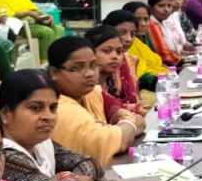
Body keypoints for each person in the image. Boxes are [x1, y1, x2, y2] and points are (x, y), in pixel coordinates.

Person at [0, 70, 104, 181]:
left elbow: (90, 163)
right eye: (36, 108)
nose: (48, 117)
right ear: (6, 114)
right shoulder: (3, 156)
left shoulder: (40, 143)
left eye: (53, 108)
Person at [48, 37, 144, 166]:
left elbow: (140, 121)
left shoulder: (92, 93)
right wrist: (126, 123)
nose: (89, 74)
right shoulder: (56, 106)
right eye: (77, 68)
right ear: (54, 72)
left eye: (93, 65)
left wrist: (124, 125)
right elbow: (120, 142)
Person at [86, 25, 146, 114]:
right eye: (107, 51)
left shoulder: (111, 81)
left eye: (119, 51)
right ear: (90, 53)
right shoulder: (86, 87)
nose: (115, 57)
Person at [104, 9, 167, 92]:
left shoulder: (130, 59)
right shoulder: (100, 59)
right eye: (122, 33)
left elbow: (143, 79)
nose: (129, 39)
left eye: (133, 34)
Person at [147, 0, 183, 65]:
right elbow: (164, 54)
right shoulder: (151, 24)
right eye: (161, 6)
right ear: (150, 8)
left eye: (169, 6)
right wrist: (181, 60)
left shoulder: (164, 22)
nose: (166, 9)